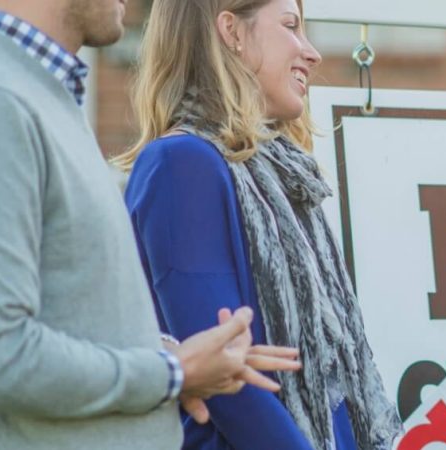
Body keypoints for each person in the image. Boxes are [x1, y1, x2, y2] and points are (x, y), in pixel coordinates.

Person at [0, 0, 301, 449]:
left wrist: (171, 355)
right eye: (291, 26)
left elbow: (67, 320)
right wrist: (174, 373)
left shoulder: (39, 94)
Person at [113, 0, 403, 448]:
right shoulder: (181, 164)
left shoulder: (283, 177)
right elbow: (229, 381)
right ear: (231, 32)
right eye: (291, 26)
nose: (312, 53)